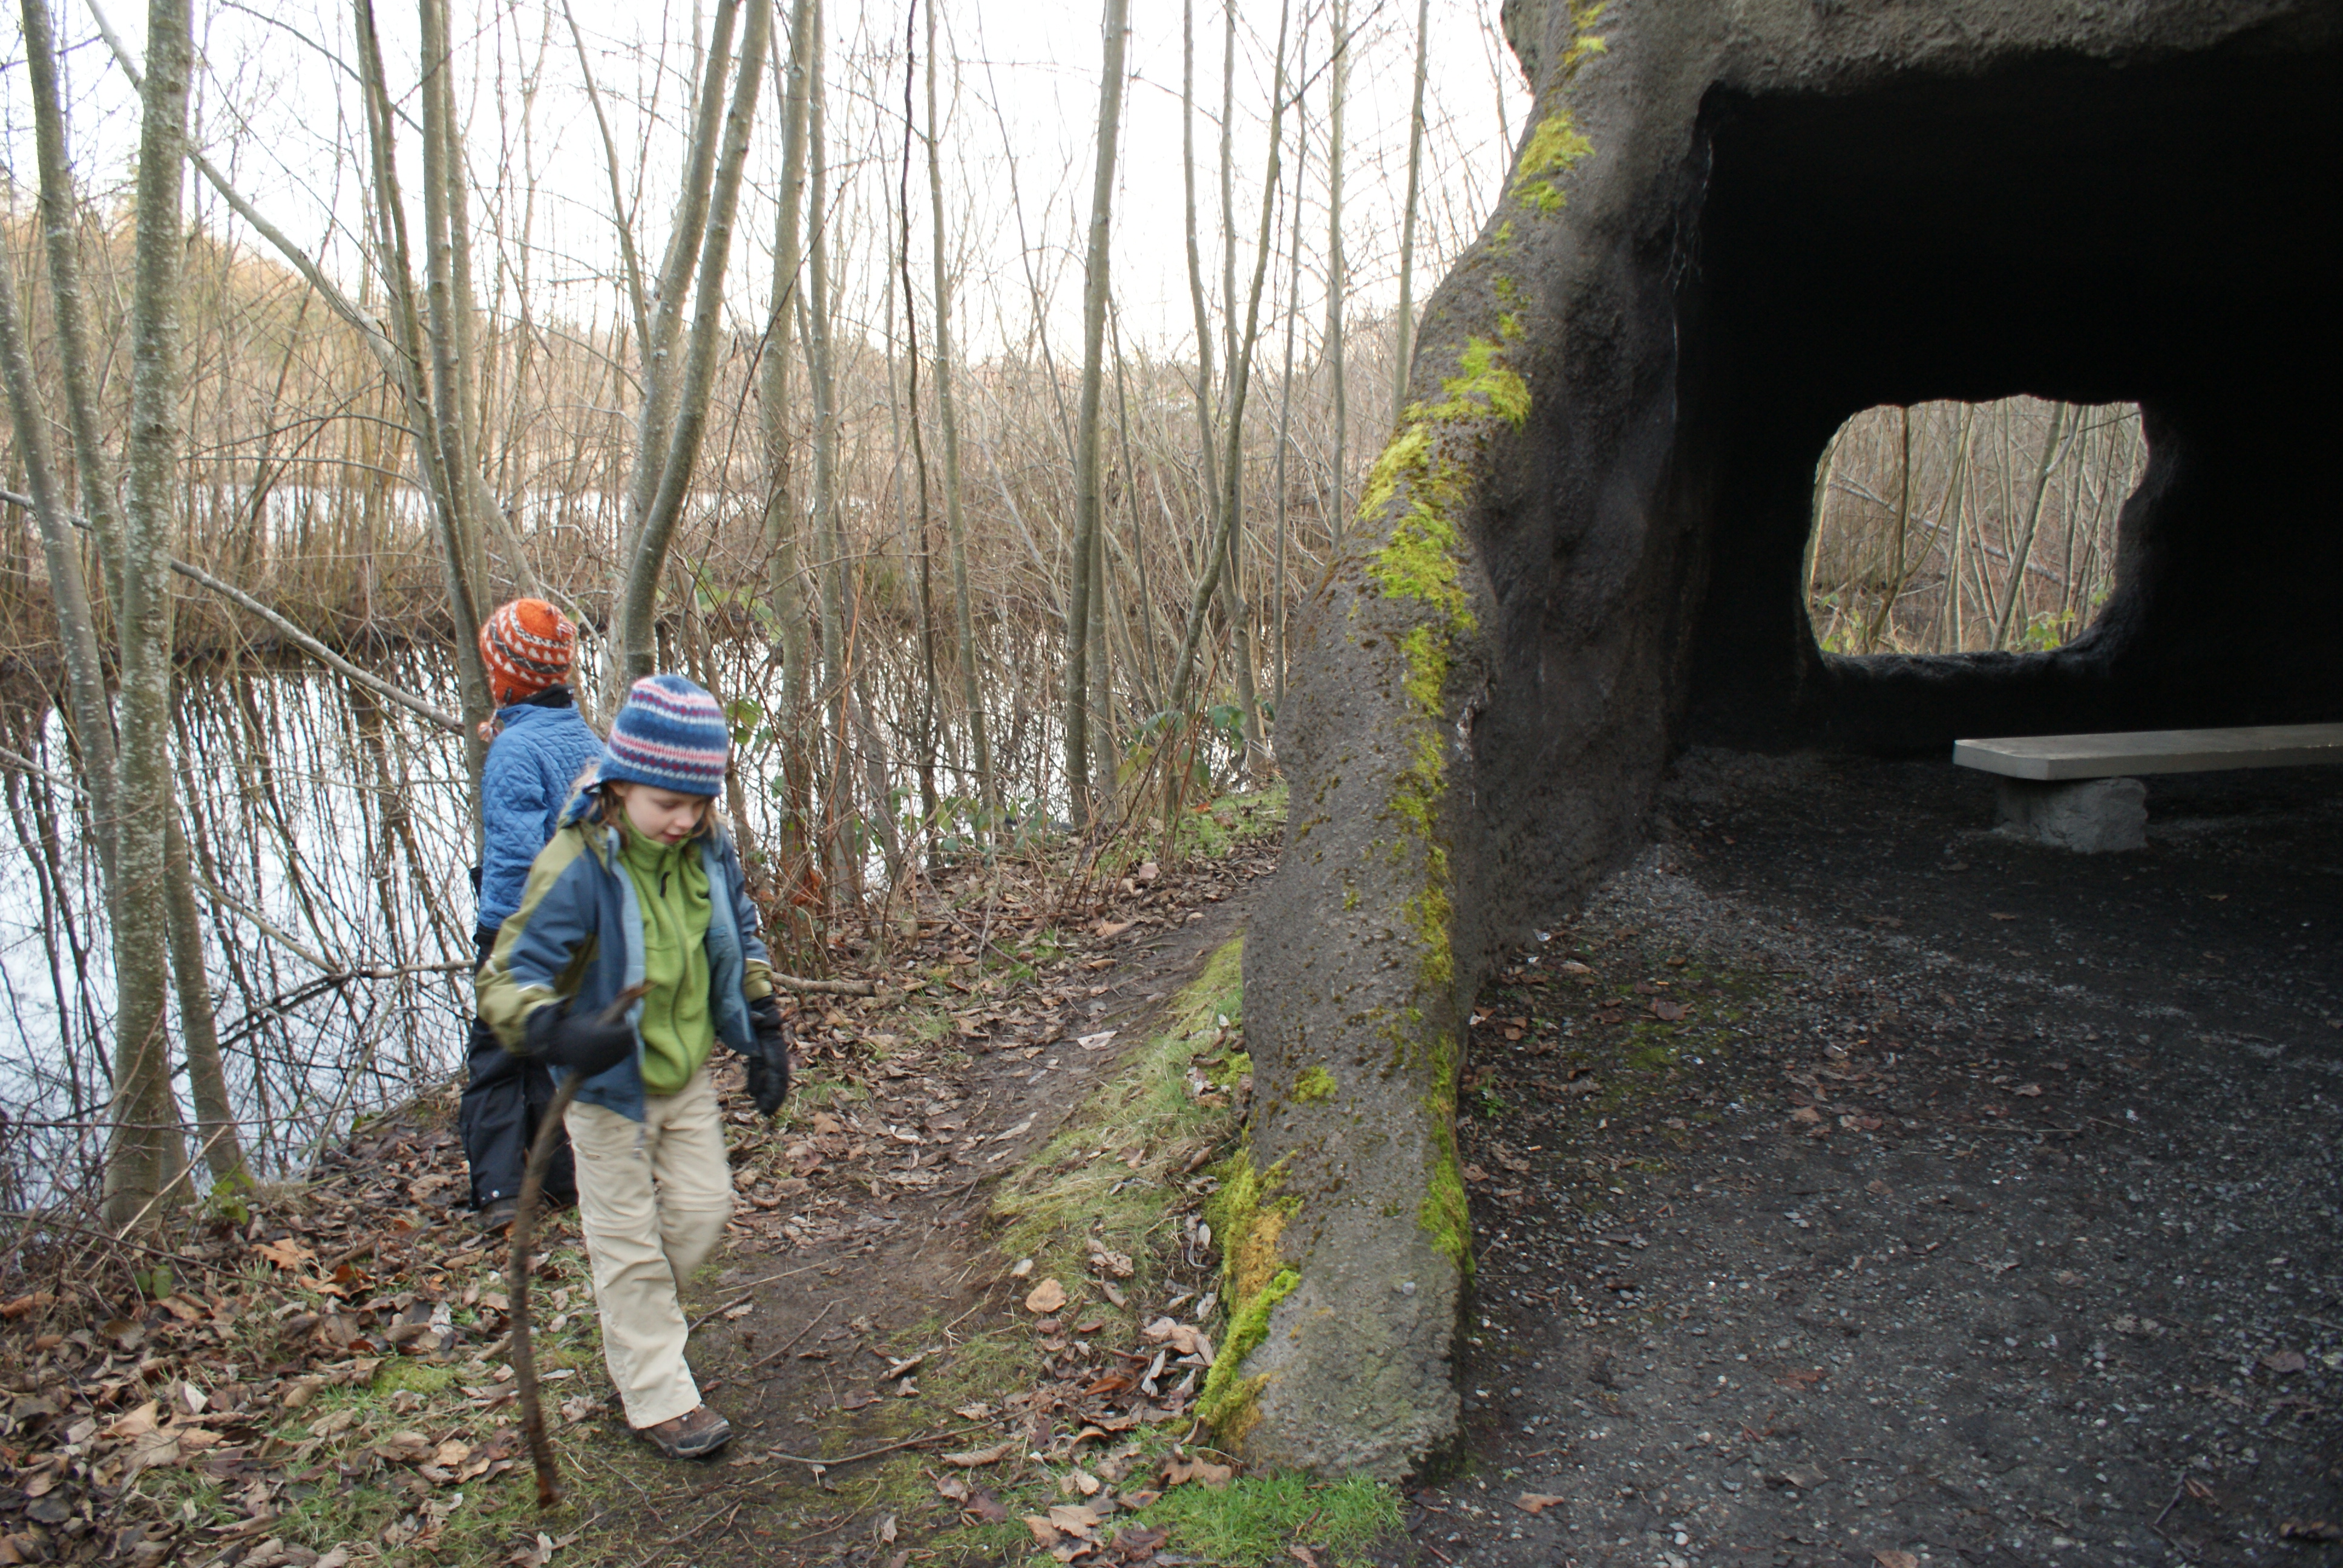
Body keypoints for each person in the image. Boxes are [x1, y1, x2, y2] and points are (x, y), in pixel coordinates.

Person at [477, 673, 793, 1460]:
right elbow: (505, 982)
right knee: (624, 1238)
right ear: (620, 783)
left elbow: (739, 933)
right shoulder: (577, 864)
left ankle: (637, 1323)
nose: (683, 820)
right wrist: (558, 1032)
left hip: (682, 1075)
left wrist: (763, 1024)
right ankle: (656, 1394)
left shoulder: (705, 848)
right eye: (666, 805)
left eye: (698, 804)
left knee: (702, 1208)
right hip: (603, 1091)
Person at [461, 600, 605, 1229]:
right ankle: (561, 1177)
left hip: (519, 926)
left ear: (507, 677)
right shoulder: (584, 739)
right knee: (546, 1049)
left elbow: (519, 858)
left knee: (495, 1058)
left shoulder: (516, 752)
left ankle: (497, 1195)